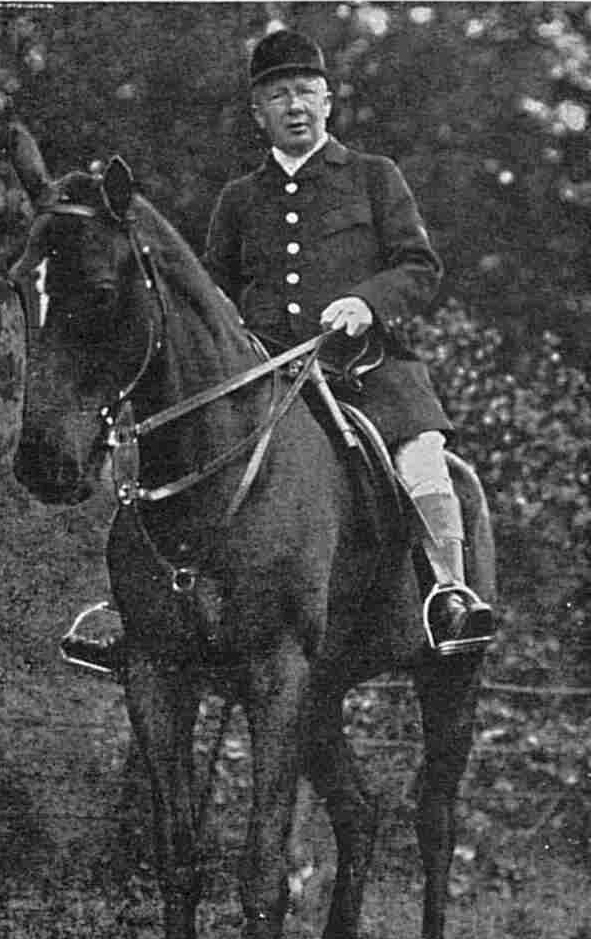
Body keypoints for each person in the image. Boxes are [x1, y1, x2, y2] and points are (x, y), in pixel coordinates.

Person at [200, 27, 490, 653]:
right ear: (259, 113)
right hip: (270, 383)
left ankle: (449, 593)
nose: (295, 107)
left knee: (420, 452)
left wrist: (367, 302)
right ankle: (142, 615)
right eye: (279, 96)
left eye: (306, 92)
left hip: (369, 373)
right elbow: (212, 296)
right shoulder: (238, 200)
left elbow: (420, 267)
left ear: (328, 101)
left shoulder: (373, 177)